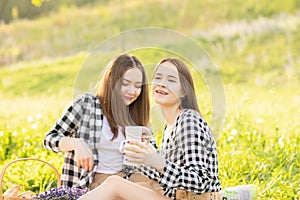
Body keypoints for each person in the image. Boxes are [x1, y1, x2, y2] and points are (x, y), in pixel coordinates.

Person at [78, 57, 222, 200]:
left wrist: (158, 162)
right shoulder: (170, 126)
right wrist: (144, 155)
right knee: (127, 184)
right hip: (173, 196)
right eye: (158, 78)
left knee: (115, 184)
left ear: (184, 92)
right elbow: (166, 176)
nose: (162, 84)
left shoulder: (189, 120)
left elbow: (202, 181)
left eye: (171, 80)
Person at [43, 54, 151, 190]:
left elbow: (148, 164)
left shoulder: (137, 115)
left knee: (158, 189)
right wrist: (77, 144)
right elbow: (49, 139)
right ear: (112, 80)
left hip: (128, 180)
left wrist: (147, 147)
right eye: (125, 83)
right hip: (93, 184)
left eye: (138, 86)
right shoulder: (86, 104)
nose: (132, 91)